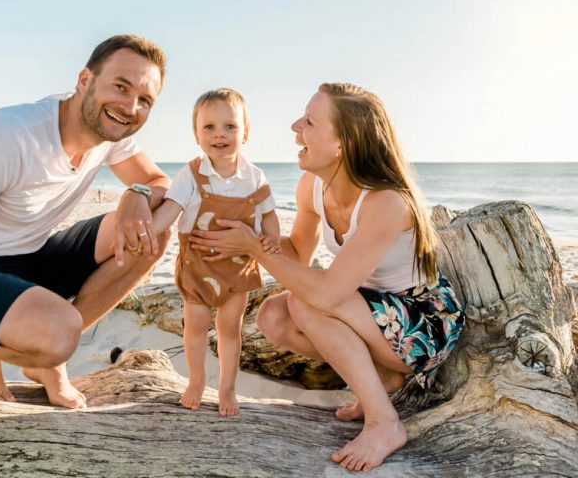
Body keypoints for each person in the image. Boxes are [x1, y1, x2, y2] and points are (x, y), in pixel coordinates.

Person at [0, 34, 172, 439]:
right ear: (85, 80)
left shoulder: (112, 130)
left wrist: (136, 193)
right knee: (59, 334)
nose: (131, 106)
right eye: (120, 86)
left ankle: (43, 353)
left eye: (145, 99)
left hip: (30, 254)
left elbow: (156, 181)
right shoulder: (6, 138)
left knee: (155, 229)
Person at [188, 83, 464, 471]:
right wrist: (241, 233)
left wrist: (252, 247)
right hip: (369, 310)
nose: (295, 126)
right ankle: (382, 379)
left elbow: (329, 292)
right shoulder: (313, 187)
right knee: (273, 316)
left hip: (423, 322)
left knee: (306, 302)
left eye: (310, 122)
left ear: (343, 143)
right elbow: (298, 252)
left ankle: (385, 423)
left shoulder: (386, 202)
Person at [150, 88, 280, 416]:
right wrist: (150, 229)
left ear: (245, 133)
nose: (219, 134)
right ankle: (195, 381)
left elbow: (268, 213)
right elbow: (172, 207)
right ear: (196, 135)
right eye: (209, 127)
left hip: (238, 267)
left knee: (230, 328)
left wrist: (272, 238)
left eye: (230, 127)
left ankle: (227, 389)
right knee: (195, 324)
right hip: (198, 264)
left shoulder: (255, 177)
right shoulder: (191, 174)